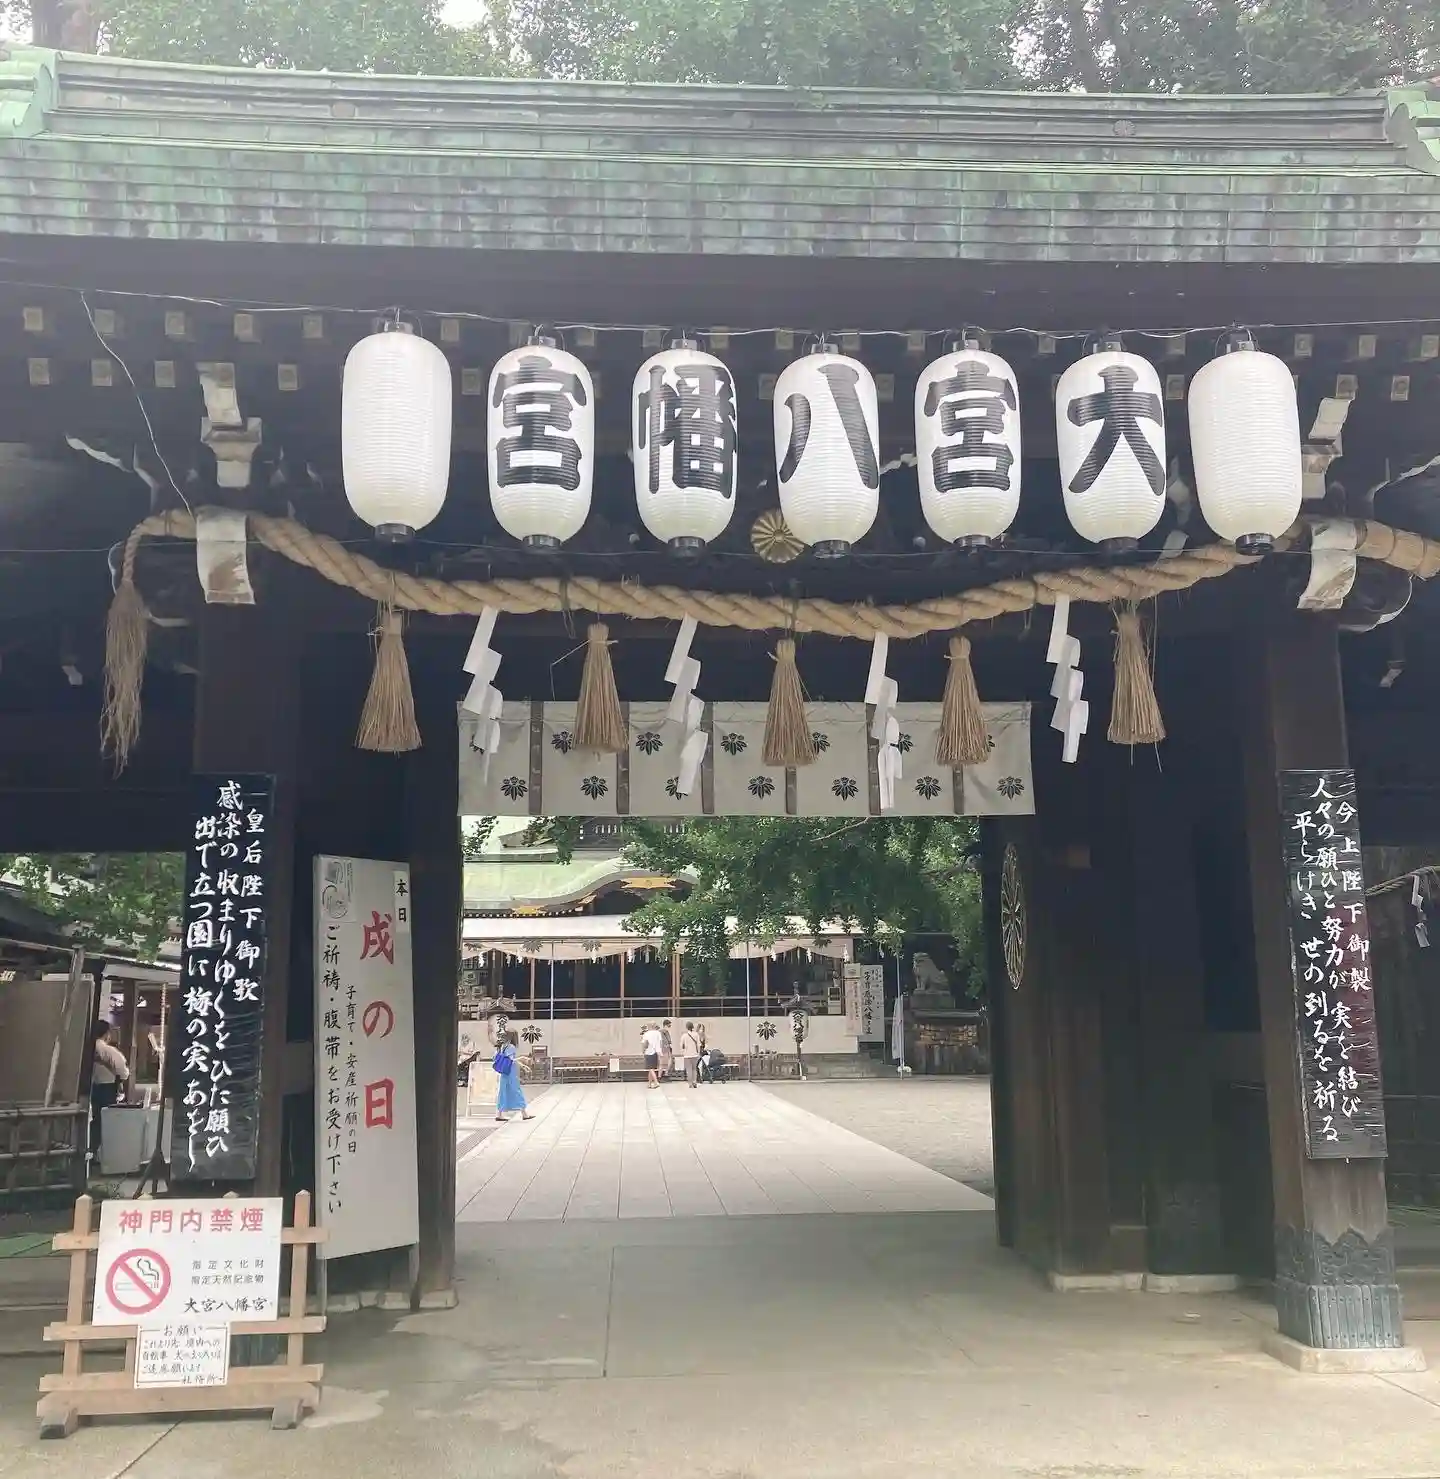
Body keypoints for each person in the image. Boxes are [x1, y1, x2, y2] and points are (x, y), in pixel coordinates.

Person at [90, 1019, 130, 1159]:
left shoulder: (87, 1048)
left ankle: (92, 1151)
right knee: (106, 1121)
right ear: (107, 1034)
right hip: (107, 1089)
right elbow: (123, 1071)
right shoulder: (108, 1050)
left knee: (94, 1121)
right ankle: (104, 1154)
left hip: (91, 1088)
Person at [494, 1030, 534, 1123]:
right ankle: (524, 1114)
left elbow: (509, 1060)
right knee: (516, 1091)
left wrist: (523, 1066)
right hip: (510, 1072)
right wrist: (523, 1059)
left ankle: (499, 1114)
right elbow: (511, 1060)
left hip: (504, 1072)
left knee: (503, 1092)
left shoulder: (503, 1046)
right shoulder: (511, 1047)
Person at [641, 1021, 664, 1088]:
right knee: (651, 1069)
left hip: (648, 1052)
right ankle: (649, 1083)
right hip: (656, 1052)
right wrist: (660, 1051)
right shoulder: (658, 1033)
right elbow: (660, 1043)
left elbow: (644, 1044)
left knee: (650, 1068)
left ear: (649, 1026)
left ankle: (656, 1082)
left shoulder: (646, 1034)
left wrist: (643, 1051)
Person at [679, 1021, 702, 1088]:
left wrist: (683, 1052)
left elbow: (681, 1045)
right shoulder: (696, 1034)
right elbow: (698, 1045)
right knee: (694, 1069)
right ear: (693, 1027)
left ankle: (690, 1083)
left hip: (687, 1055)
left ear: (686, 1027)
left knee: (688, 1069)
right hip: (695, 1054)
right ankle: (694, 1082)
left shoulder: (684, 1035)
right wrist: (698, 1053)